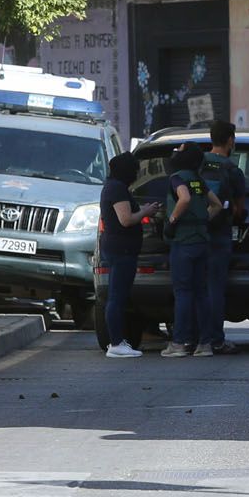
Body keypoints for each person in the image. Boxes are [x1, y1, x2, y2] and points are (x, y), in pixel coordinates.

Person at [159, 143, 213, 358]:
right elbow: (216, 204)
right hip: (202, 240)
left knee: (183, 292)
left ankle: (180, 342)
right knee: (201, 292)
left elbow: (185, 198)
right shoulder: (199, 180)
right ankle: (205, 343)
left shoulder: (177, 178)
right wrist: (202, 219)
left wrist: (172, 220)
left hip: (183, 241)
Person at [200, 121, 248, 356]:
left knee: (192, 289)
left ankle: (192, 338)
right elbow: (240, 209)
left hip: (194, 236)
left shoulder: (197, 164)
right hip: (220, 236)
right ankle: (215, 339)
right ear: (230, 140)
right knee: (215, 289)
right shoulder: (232, 170)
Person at [98, 153, 146, 358]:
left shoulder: (113, 186)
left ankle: (118, 341)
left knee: (117, 296)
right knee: (116, 297)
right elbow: (126, 220)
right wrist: (146, 211)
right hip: (121, 249)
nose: (136, 174)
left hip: (117, 247)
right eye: (135, 170)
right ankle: (116, 343)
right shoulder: (117, 188)